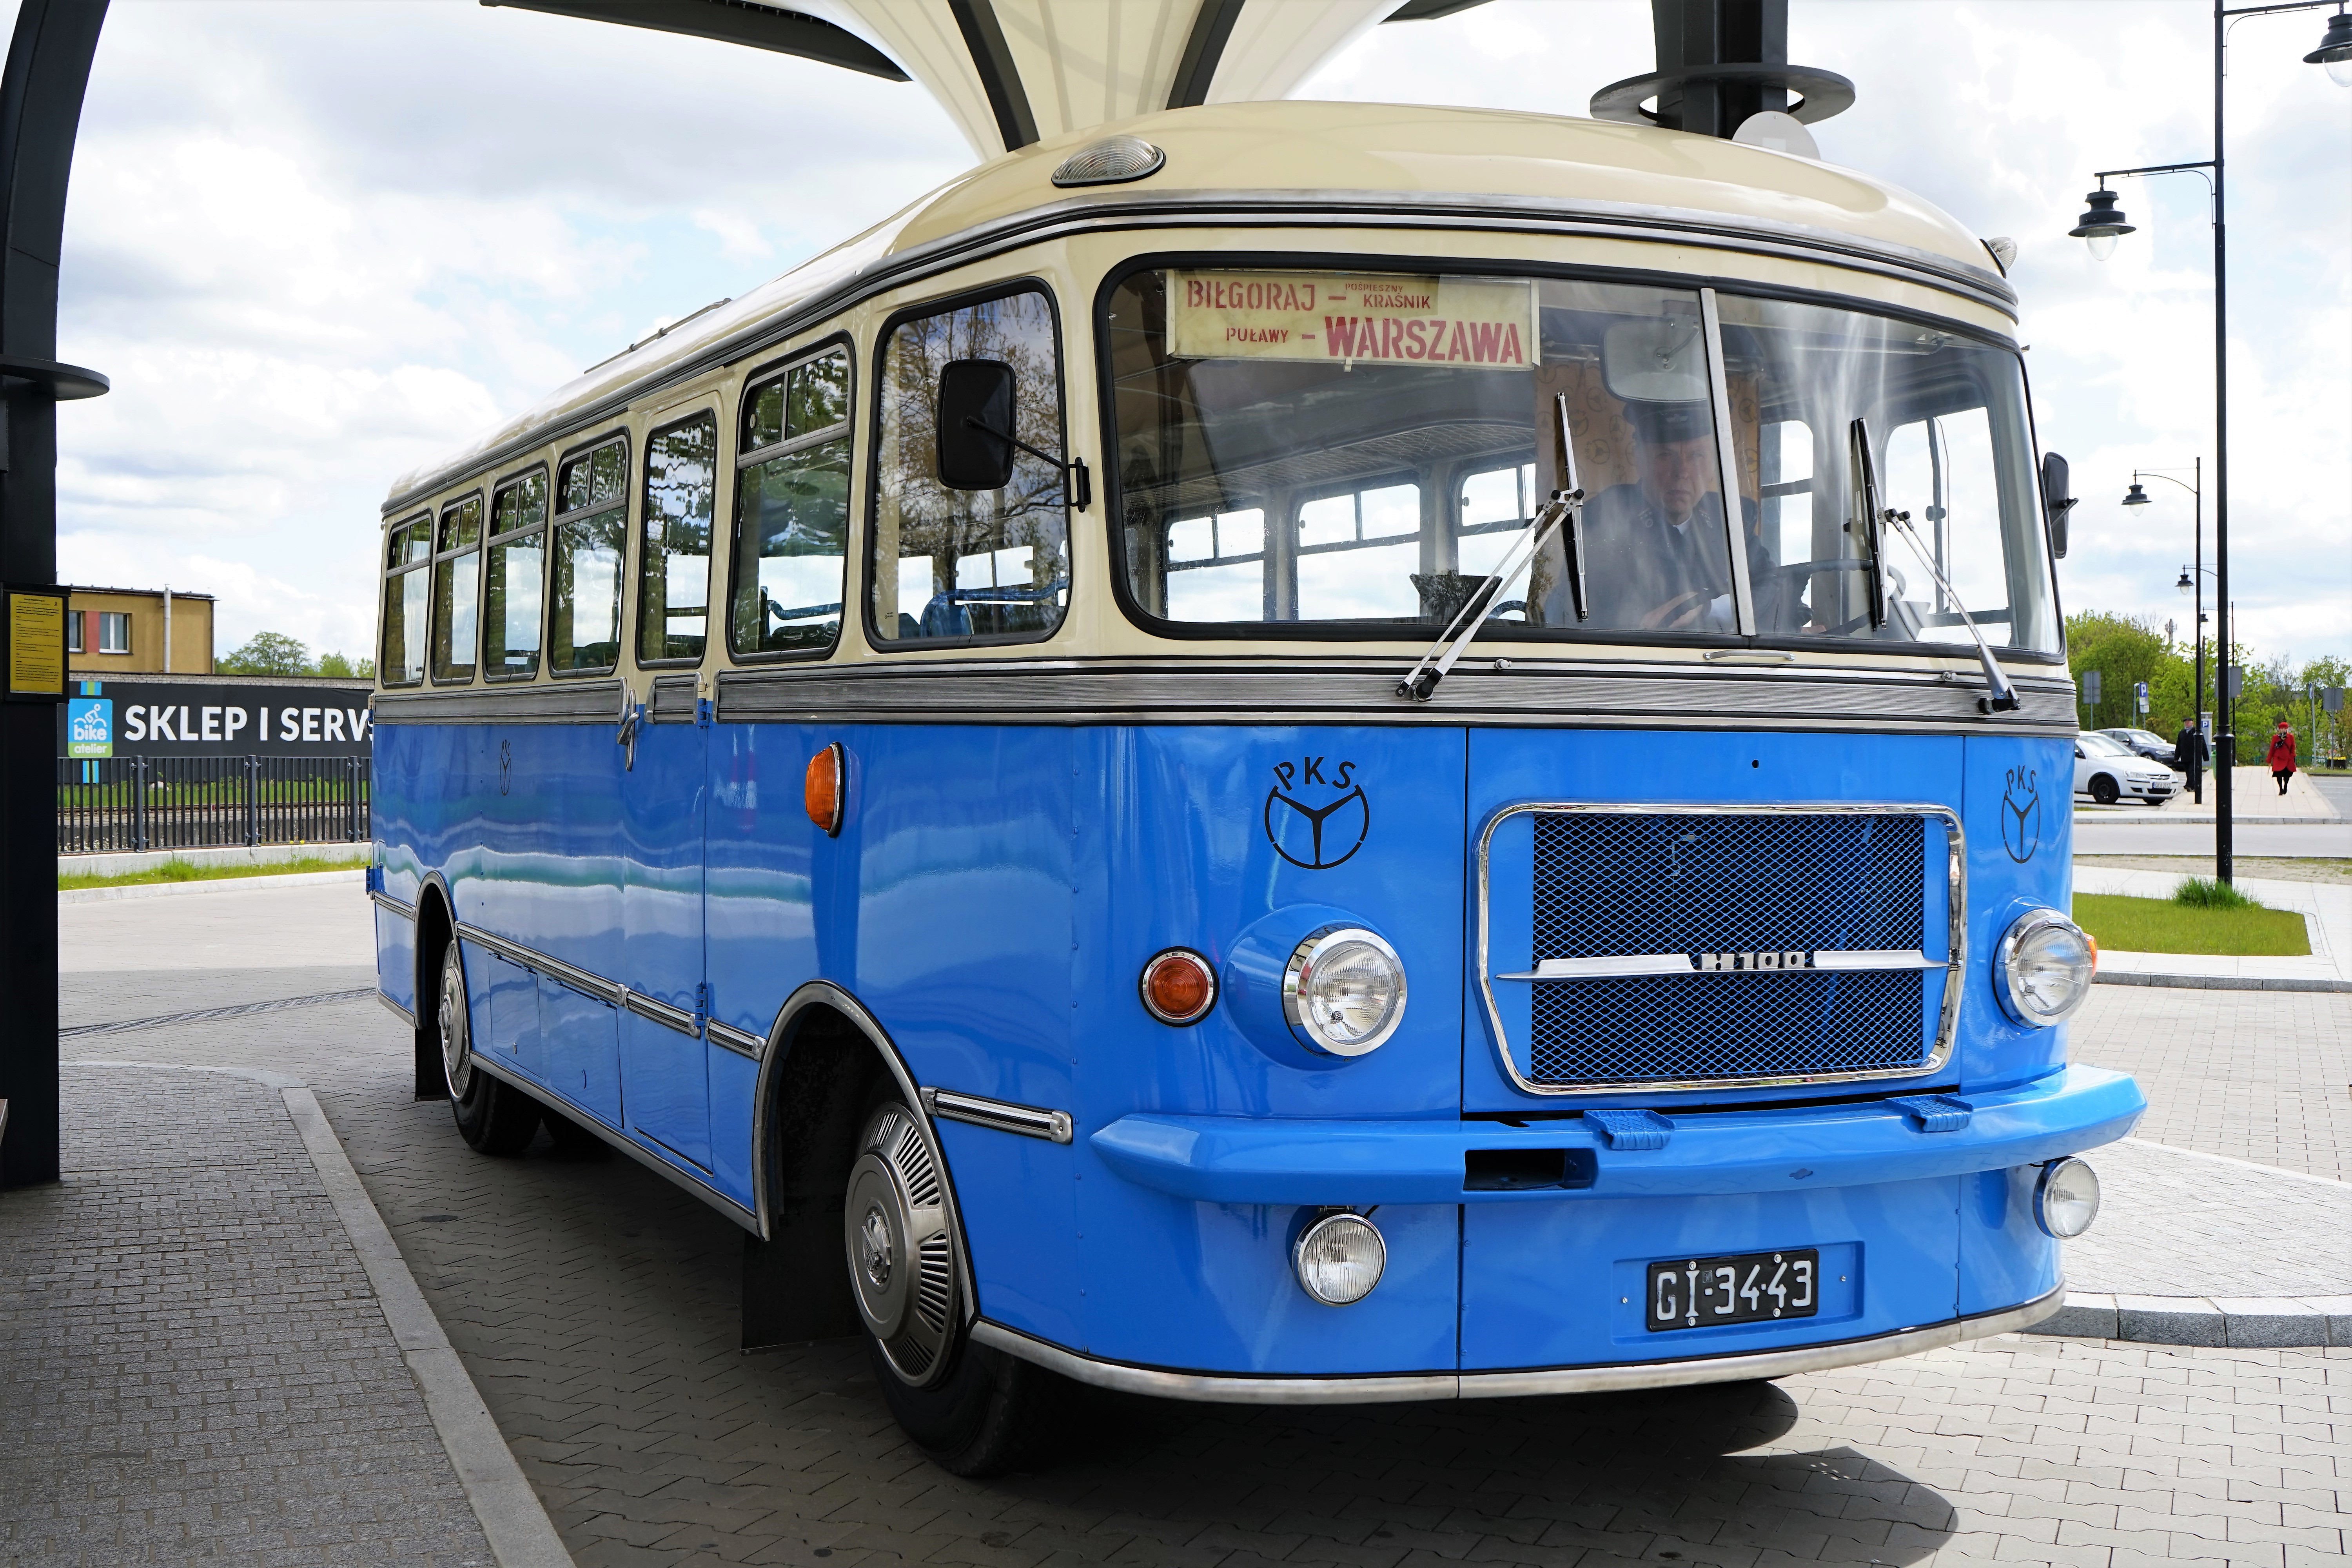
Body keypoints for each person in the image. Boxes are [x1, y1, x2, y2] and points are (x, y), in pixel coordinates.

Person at [1548, 398, 1775, 632]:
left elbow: (1769, 586)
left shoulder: (1729, 518)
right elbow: (1573, 610)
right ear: (1640, 459)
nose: (1682, 473)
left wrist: (1711, 609)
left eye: (1697, 456)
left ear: (1713, 464)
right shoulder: (1604, 518)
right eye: (1665, 456)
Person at [2266, 716, 2298, 796]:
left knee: (2287, 775)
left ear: (2287, 729)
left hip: (2288, 759)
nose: (2284, 730)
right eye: (2282, 728)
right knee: (2279, 775)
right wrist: (2269, 759)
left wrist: (2292, 756)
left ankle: (2285, 786)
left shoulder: (2290, 737)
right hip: (2278, 759)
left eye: (2285, 728)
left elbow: (2293, 747)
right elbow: (2272, 748)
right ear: (2279, 729)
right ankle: (2281, 789)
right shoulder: (2276, 738)